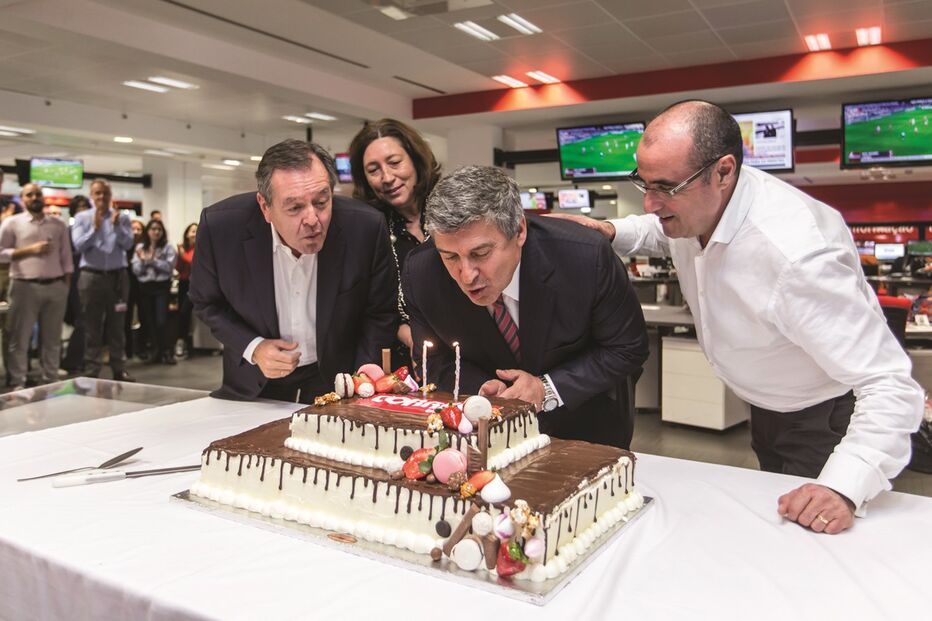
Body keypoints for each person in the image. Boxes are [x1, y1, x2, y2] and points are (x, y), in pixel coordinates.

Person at [560, 100, 924, 533]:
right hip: (768, 409)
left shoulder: (796, 257)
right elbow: (663, 231)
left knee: (812, 542)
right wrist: (614, 231)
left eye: (666, 187)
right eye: (643, 183)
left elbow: (890, 385)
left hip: (825, 421)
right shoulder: (697, 208)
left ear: (724, 171)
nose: (652, 202)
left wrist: (844, 486)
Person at [403, 165, 649, 449]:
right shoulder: (422, 273)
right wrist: (484, 389)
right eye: (450, 257)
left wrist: (545, 388)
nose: (467, 275)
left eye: (480, 253)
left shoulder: (585, 257)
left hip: (588, 424)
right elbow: (435, 361)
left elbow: (628, 347)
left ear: (519, 230)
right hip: (490, 436)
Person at [189, 139, 396, 402]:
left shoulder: (364, 227)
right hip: (255, 384)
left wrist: (360, 379)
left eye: (321, 202)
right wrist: (254, 348)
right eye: (295, 208)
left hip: (338, 381)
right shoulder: (221, 228)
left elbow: (379, 312)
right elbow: (206, 303)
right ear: (265, 207)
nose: (312, 220)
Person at [348, 118, 441, 372]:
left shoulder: (449, 207)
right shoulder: (366, 230)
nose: (387, 177)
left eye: (394, 162)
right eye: (373, 169)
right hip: (403, 362)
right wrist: (409, 335)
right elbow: (372, 306)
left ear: (415, 159)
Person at [0, 183, 73, 389]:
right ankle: (18, 383)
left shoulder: (58, 225)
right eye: (29, 194)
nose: (34, 197)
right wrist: (29, 250)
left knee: (52, 339)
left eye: (38, 194)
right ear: (23, 199)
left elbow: (66, 258)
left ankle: (50, 380)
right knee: (20, 338)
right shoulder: (12, 224)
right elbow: (1, 252)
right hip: (24, 286)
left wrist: (65, 286)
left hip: (55, 286)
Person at [71, 179, 136, 381]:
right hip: (91, 277)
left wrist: (116, 227)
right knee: (92, 326)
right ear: (92, 195)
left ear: (110, 195)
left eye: (105, 193)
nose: (102, 197)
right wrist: (95, 229)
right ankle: (92, 368)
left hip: (118, 278)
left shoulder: (122, 218)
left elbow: (128, 244)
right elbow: (79, 245)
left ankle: (119, 368)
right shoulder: (82, 217)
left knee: (117, 325)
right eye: (98, 193)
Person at [132, 219, 177, 365]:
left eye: (159, 229)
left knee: (161, 321)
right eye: (153, 229)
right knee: (149, 321)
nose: (156, 232)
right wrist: (146, 262)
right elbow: (136, 270)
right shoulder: (140, 247)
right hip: (145, 288)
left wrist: (151, 261)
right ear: (148, 231)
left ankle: (167, 352)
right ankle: (156, 352)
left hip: (161, 287)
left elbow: (169, 267)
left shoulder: (168, 248)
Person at [61, 195, 91, 373]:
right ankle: (72, 360)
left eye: (86, 206)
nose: (83, 210)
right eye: (79, 207)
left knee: (88, 321)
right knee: (81, 320)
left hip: (90, 277)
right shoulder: (69, 231)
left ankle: (81, 358)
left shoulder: (97, 227)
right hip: (75, 278)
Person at [174, 222, 197, 358]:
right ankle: (181, 341)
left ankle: (182, 341)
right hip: (184, 282)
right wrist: (180, 256)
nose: (195, 234)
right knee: (181, 312)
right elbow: (179, 268)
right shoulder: (184, 249)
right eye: (192, 231)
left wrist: (182, 255)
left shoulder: (201, 249)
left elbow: (193, 263)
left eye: (197, 231)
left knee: (184, 311)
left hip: (196, 284)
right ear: (187, 234)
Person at [125, 219, 145, 359]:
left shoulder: (145, 247)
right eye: (133, 229)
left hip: (143, 286)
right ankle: (128, 349)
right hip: (127, 285)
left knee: (144, 316)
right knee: (126, 318)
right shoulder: (124, 248)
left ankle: (142, 348)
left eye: (139, 229)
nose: (136, 232)